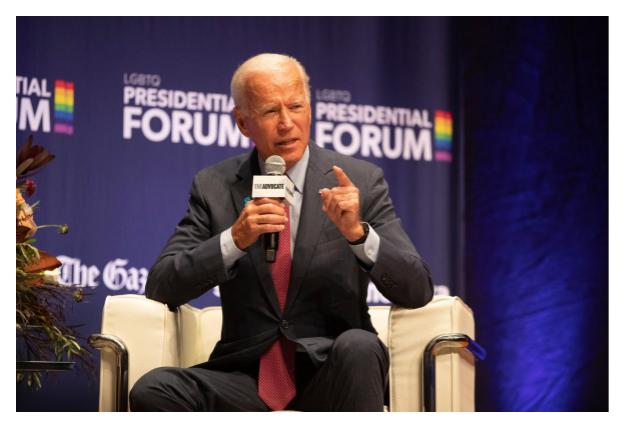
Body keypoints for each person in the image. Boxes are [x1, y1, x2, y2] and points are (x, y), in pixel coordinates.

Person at [130, 53, 434, 412]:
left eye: (296, 106)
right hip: (246, 378)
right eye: (271, 112)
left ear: (311, 108)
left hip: (332, 373)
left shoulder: (360, 181)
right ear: (243, 122)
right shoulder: (214, 185)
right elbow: (162, 284)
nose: (287, 123)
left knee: (360, 346)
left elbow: (417, 289)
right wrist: (234, 240)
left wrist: (358, 234)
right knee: (152, 389)